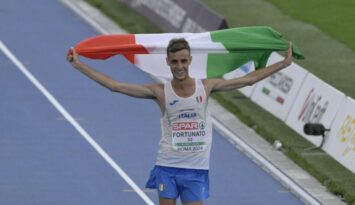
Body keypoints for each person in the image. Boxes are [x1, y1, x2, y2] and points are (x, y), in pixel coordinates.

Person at [67, 38, 292, 205]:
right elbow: (114, 86)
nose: (179, 66)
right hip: (168, 167)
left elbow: (249, 79)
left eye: (183, 61)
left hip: (196, 169)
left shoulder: (207, 86)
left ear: (190, 61)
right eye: (174, 61)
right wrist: (80, 65)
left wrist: (282, 64)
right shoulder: (159, 91)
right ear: (168, 62)